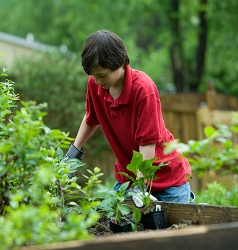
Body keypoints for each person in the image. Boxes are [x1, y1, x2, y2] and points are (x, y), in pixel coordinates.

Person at [65, 30, 194, 206]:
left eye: (102, 75)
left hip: (167, 181)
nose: (96, 81)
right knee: (114, 224)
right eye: (93, 75)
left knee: (176, 230)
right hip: (129, 179)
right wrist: (71, 156)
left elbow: (147, 144)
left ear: (120, 63)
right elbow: (91, 118)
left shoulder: (142, 89)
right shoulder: (95, 85)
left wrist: (140, 188)